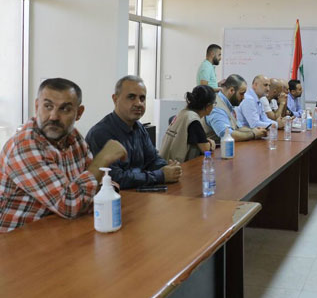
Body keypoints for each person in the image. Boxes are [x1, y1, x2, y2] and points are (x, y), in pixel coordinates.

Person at [0, 78, 127, 232]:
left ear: (79, 113)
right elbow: (70, 205)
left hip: (58, 229)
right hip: (17, 238)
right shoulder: (25, 145)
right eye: (48, 106)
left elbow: (98, 187)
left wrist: (99, 191)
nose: (54, 116)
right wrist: (103, 158)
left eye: (65, 109)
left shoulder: (74, 137)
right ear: (37, 106)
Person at [86, 76, 182, 189]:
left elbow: (152, 159)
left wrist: (167, 168)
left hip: (139, 195)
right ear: (115, 99)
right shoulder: (100, 133)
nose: (139, 103)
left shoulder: (139, 127)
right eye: (131, 97)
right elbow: (115, 178)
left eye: (142, 98)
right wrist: (160, 175)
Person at [160, 85, 217, 162]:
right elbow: (206, 149)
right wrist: (211, 143)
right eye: (214, 103)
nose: (214, 106)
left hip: (165, 161)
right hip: (176, 166)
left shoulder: (183, 113)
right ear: (208, 106)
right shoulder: (193, 120)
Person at [205, 74, 268, 142]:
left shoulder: (228, 105)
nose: (243, 97)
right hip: (216, 148)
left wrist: (254, 130)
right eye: (241, 94)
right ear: (231, 90)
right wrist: (253, 134)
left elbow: (238, 128)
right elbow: (227, 135)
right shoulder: (216, 107)